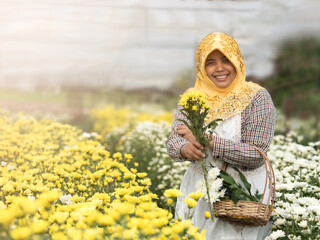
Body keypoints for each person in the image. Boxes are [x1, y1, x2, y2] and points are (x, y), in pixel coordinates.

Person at [166, 33, 277, 240]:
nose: (219, 68)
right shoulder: (193, 97)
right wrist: (183, 148)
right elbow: (174, 139)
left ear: (237, 60)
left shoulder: (256, 97)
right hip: (199, 192)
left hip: (242, 196)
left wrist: (205, 139)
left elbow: (255, 155)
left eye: (226, 59)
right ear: (201, 67)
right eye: (210, 62)